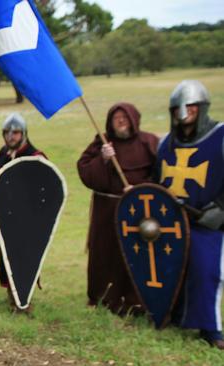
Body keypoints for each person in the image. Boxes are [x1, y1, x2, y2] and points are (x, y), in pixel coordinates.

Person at [156, 80, 224, 349]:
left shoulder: (220, 136)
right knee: (172, 270)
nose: (184, 113)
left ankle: (210, 329)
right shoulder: (166, 144)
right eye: (178, 109)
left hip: (207, 221)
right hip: (172, 221)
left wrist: (220, 208)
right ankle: (174, 316)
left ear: (202, 108)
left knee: (206, 271)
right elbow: (156, 180)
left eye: (191, 107)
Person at [77, 102, 158, 315]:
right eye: (116, 118)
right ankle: (103, 296)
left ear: (134, 119)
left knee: (136, 253)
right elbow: (85, 173)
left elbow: (161, 174)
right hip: (107, 209)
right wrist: (102, 159)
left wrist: (140, 190)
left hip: (139, 210)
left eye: (124, 117)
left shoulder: (149, 142)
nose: (121, 121)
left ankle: (136, 299)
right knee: (105, 253)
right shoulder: (102, 142)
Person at [0, 112, 45, 311]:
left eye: (16, 132)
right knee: (6, 258)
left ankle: (24, 301)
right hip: (4, 217)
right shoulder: (3, 153)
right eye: (7, 132)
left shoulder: (35, 157)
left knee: (23, 259)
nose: (11, 136)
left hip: (25, 221)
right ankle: (12, 296)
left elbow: (44, 189)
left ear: (24, 133)